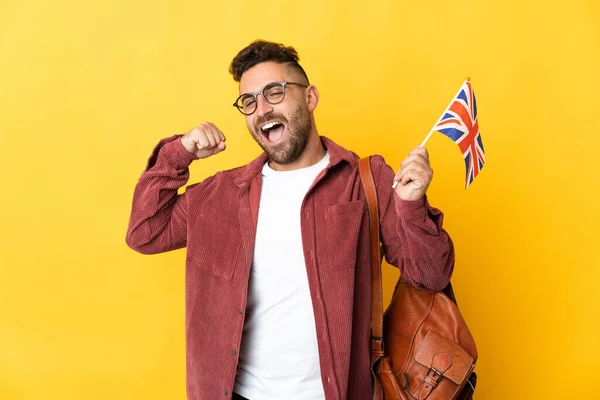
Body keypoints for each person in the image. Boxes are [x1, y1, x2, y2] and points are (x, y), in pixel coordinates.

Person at [126, 40, 454, 400]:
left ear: (310, 97)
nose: (262, 109)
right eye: (249, 101)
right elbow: (145, 232)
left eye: (275, 92)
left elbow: (431, 275)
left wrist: (411, 205)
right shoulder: (220, 194)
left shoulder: (366, 181)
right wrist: (178, 153)